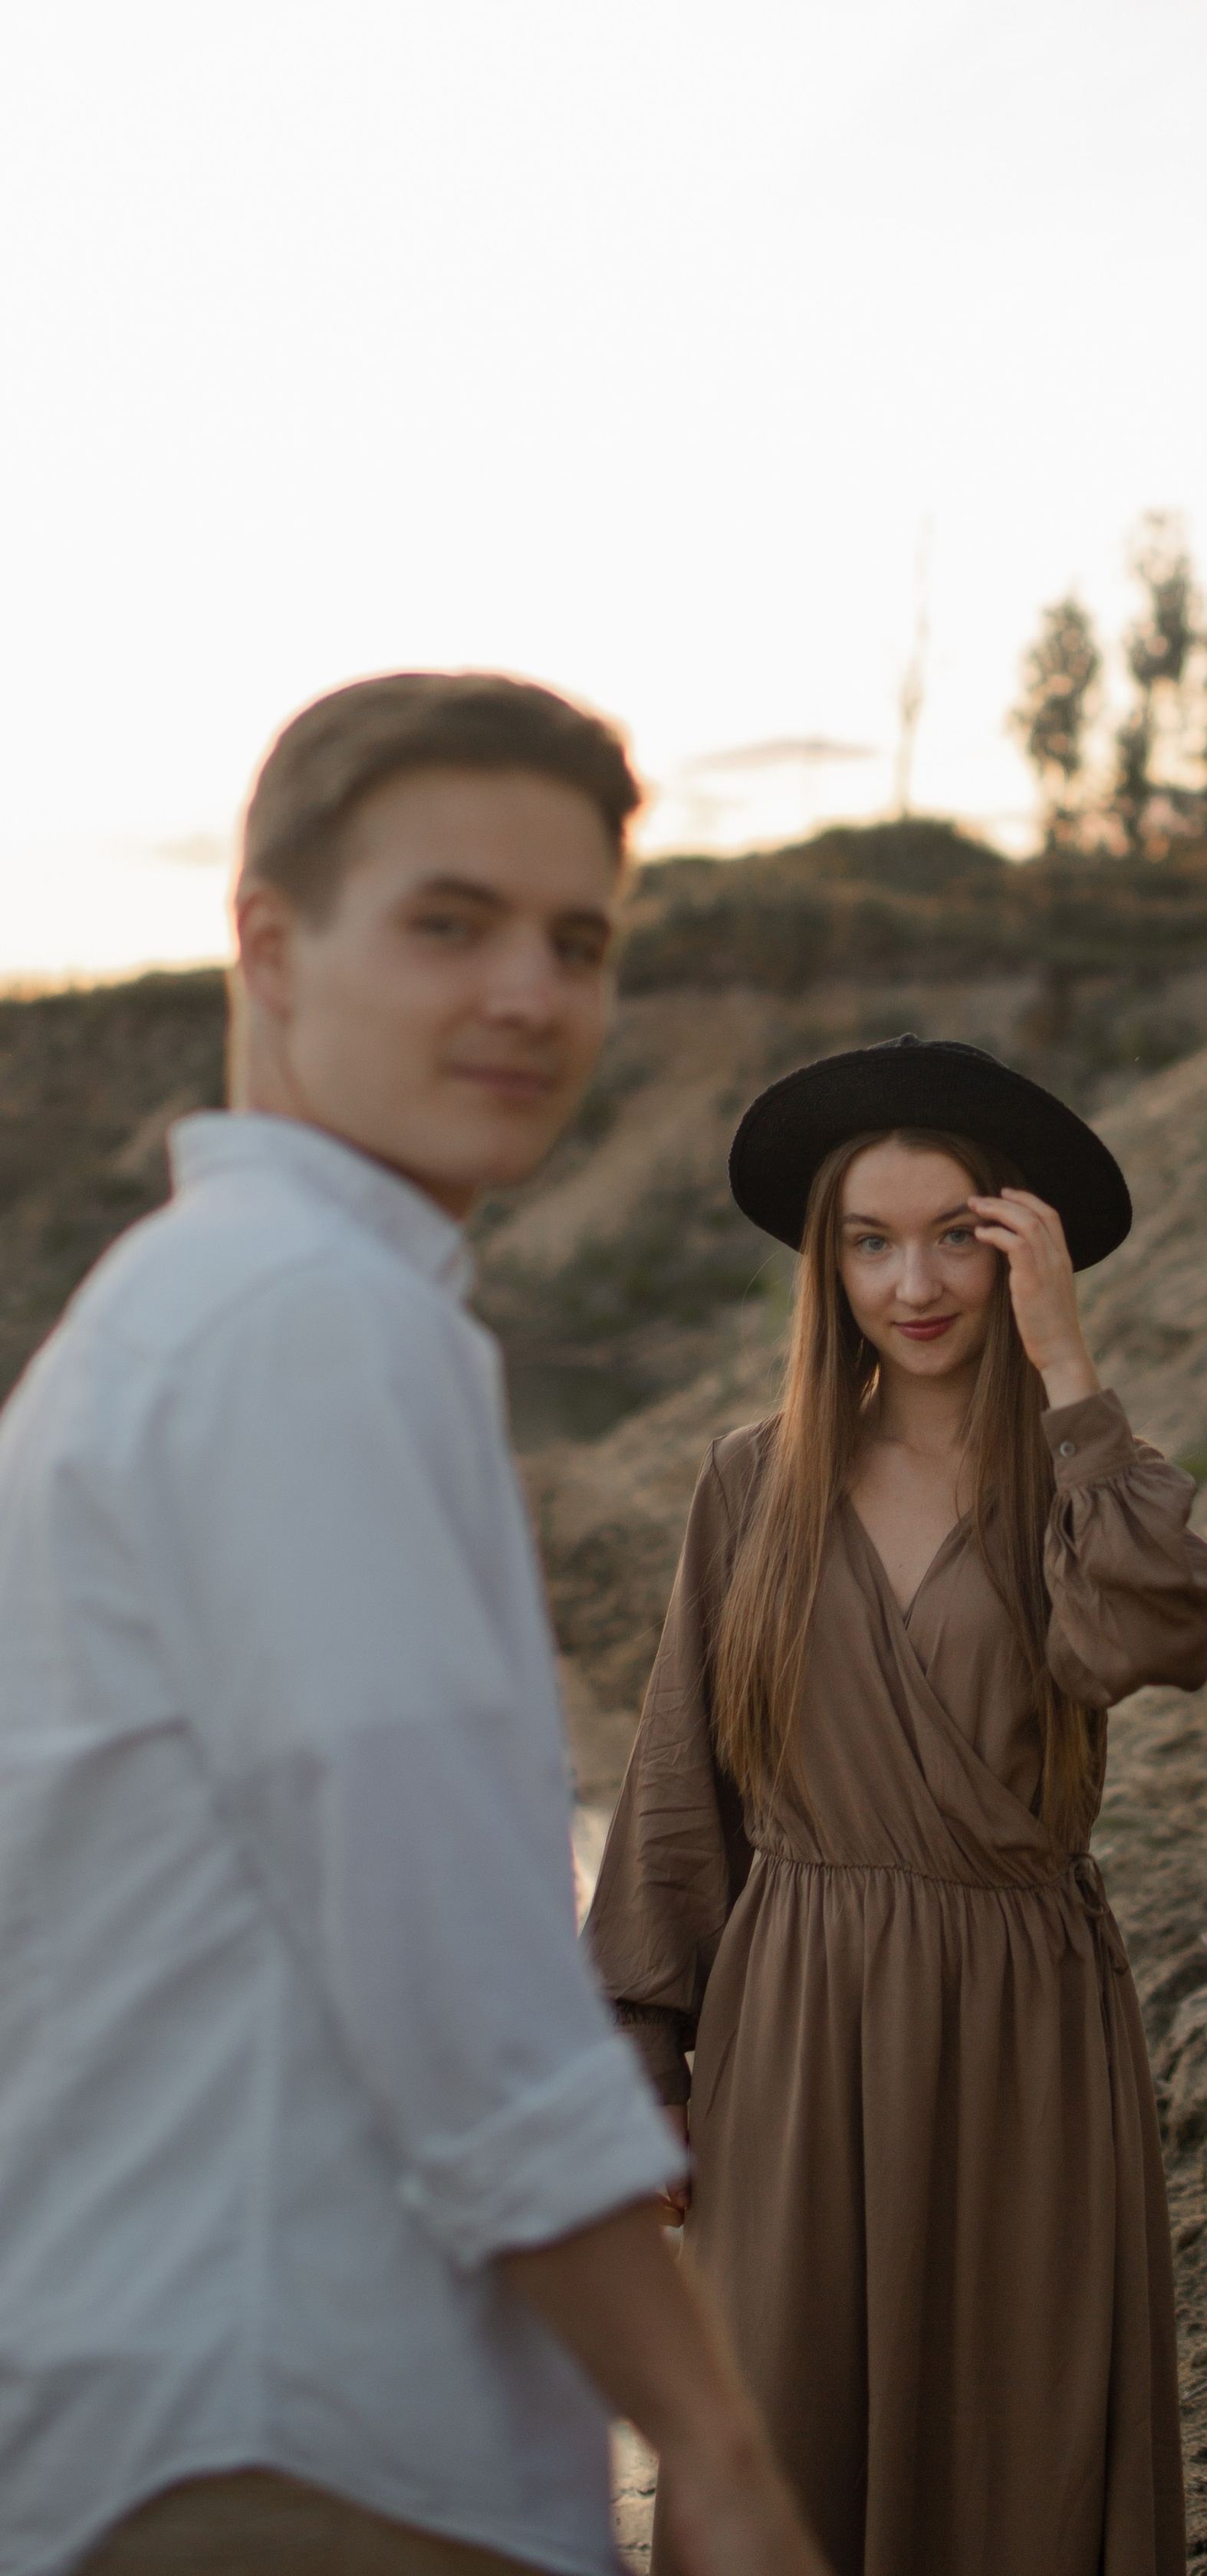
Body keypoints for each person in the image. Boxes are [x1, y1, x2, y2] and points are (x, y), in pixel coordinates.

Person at [0, 675, 822, 2576]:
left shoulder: (188, 1305)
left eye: (577, 940)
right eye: (449, 923)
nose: (531, 994)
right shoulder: (304, 1322)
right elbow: (461, 1984)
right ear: (272, 948)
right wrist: (711, 2443)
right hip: (290, 2437)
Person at [584, 1035, 1207, 2576]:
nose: (913, 1283)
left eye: (955, 1235)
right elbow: (682, 1780)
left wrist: (1071, 1375)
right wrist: (643, 2054)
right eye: (870, 1242)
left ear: (1020, 1248)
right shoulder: (753, 1481)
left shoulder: (1073, 1486)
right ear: (827, 1265)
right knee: (782, 2423)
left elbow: (1149, 1638)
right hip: (797, 2015)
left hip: (1022, 2019)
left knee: (1020, 2433)